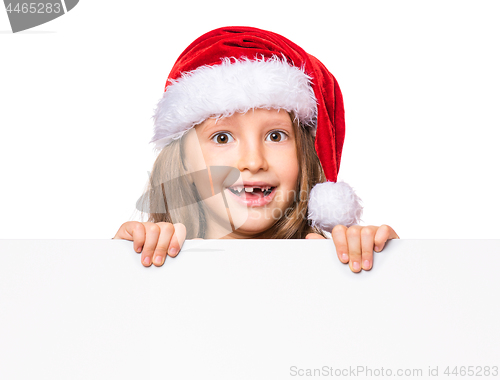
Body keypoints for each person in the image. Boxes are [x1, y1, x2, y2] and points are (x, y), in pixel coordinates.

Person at [113, 26, 399, 272]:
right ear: (185, 162)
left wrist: (388, 267)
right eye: (222, 138)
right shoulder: (147, 259)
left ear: (304, 157)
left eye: (276, 136)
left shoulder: (337, 261)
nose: (253, 161)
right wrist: (116, 265)